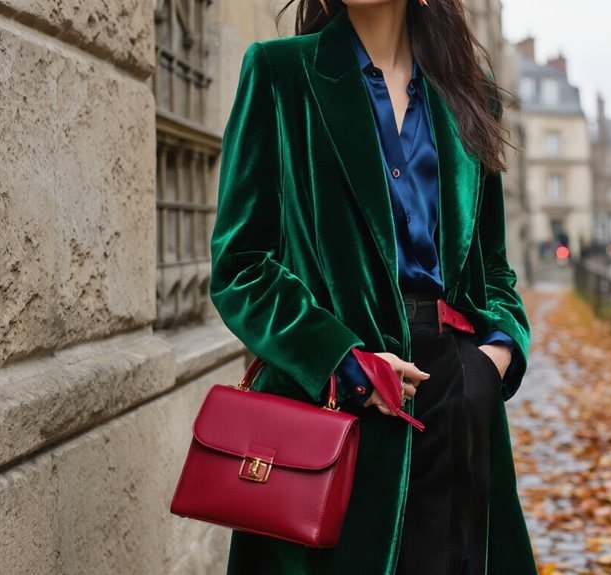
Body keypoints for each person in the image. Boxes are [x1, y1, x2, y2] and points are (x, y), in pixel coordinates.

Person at [208, 0, 539, 573]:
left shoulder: (468, 90)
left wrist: (497, 359)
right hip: (332, 411)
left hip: (456, 392)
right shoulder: (280, 73)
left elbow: (495, 272)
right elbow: (241, 265)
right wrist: (343, 362)